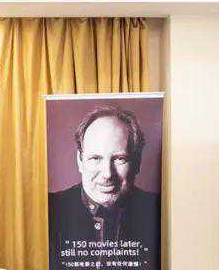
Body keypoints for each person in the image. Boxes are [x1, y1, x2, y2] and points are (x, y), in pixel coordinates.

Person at [48, 105, 159, 246]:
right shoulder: (49, 209)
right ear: (80, 160)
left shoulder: (158, 210)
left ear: (137, 162)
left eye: (120, 159)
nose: (107, 174)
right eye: (95, 158)